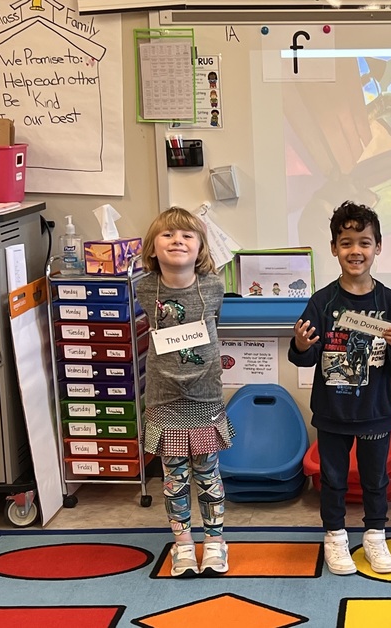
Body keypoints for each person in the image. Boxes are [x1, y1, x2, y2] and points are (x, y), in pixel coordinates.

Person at [288, 201, 391, 576]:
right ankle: (335, 536)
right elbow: (304, 356)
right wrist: (299, 344)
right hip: (332, 411)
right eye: (346, 243)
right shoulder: (322, 301)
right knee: (332, 479)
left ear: (378, 247)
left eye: (364, 242)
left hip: (377, 409)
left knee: (376, 478)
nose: (355, 251)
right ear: (333, 248)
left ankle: (376, 536)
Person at [139, 206, 233, 578]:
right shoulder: (145, 288)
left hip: (205, 398)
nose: (177, 240)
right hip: (164, 399)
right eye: (168, 235)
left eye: (187, 236)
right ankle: (182, 545)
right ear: (153, 247)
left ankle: (214, 542)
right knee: (174, 479)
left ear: (200, 248)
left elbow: (213, 330)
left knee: (208, 476)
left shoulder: (213, 286)